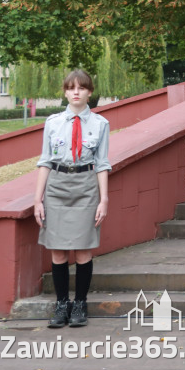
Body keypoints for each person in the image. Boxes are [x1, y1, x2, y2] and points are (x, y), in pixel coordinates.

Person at [33, 70, 111, 329]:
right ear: (65, 92)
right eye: (71, 88)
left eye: (81, 87)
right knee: (57, 249)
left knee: (83, 248)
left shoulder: (100, 124)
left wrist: (104, 199)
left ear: (90, 92)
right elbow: (45, 160)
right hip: (56, 186)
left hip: (86, 186)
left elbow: (102, 164)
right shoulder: (53, 122)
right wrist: (38, 199)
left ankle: (80, 303)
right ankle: (62, 303)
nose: (76, 92)